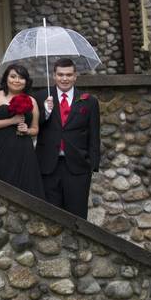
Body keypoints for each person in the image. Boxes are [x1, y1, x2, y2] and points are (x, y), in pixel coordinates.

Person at [35, 58, 101, 219]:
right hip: (48, 165)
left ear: (75, 76)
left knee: (77, 216)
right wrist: (46, 112)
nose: (64, 78)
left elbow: (94, 135)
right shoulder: (41, 96)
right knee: (50, 216)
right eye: (60, 74)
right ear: (54, 75)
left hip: (78, 167)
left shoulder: (89, 101)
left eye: (68, 75)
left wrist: (92, 165)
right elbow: (34, 126)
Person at [0, 65, 44, 199]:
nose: (17, 80)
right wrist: (12, 121)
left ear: (26, 81)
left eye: (21, 78)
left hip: (23, 149)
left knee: (26, 189)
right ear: (6, 78)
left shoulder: (31, 100)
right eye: (13, 76)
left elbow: (35, 129)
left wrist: (27, 130)